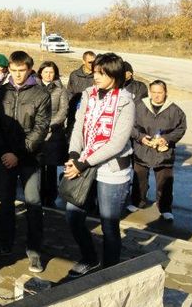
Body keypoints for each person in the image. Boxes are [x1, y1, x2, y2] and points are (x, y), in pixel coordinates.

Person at [64, 52, 134, 277]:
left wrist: (83, 163)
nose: (96, 77)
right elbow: (78, 125)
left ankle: (109, 272)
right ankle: (89, 257)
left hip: (111, 170)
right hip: (84, 164)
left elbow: (117, 143)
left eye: (101, 73)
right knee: (73, 215)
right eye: (95, 72)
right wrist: (75, 155)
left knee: (109, 225)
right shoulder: (88, 94)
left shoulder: (125, 100)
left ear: (114, 75)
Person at [0, 51, 50, 273]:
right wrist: (4, 151)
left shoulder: (41, 94)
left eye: (22, 70)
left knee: (33, 203)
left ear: (30, 69)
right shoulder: (2, 91)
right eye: (14, 70)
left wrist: (18, 154)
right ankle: (4, 244)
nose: (18, 75)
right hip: (5, 157)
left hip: (29, 158)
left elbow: (40, 129)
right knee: (6, 203)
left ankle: (34, 251)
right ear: (8, 69)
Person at [129, 80, 186, 221]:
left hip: (164, 152)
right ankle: (138, 201)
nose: (156, 96)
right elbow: (129, 125)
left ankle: (165, 208)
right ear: (149, 92)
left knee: (165, 182)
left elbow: (181, 128)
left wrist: (167, 139)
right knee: (139, 178)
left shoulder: (175, 110)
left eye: (160, 92)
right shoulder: (139, 106)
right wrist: (140, 137)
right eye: (153, 92)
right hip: (142, 149)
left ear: (166, 92)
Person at [36, 61, 69, 207]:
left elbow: (63, 111)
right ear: (40, 73)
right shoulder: (34, 87)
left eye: (51, 72)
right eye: (46, 72)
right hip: (36, 132)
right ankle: (38, 195)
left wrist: (50, 125)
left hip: (54, 134)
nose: (49, 75)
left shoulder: (60, 89)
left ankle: (50, 197)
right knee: (38, 166)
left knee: (51, 167)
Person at [66, 51, 96, 136]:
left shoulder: (98, 76)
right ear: (83, 61)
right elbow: (69, 92)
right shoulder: (74, 75)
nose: (93, 64)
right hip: (74, 113)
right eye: (90, 62)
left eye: (94, 62)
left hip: (90, 114)